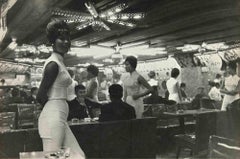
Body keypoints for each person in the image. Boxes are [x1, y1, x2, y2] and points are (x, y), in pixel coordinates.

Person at [36, 19, 85, 158]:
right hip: (53, 117)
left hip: (59, 117)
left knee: (78, 155)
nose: (65, 42)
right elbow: (40, 95)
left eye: (67, 38)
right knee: (53, 157)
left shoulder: (59, 62)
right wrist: (51, 110)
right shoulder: (53, 64)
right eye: (61, 38)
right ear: (52, 41)